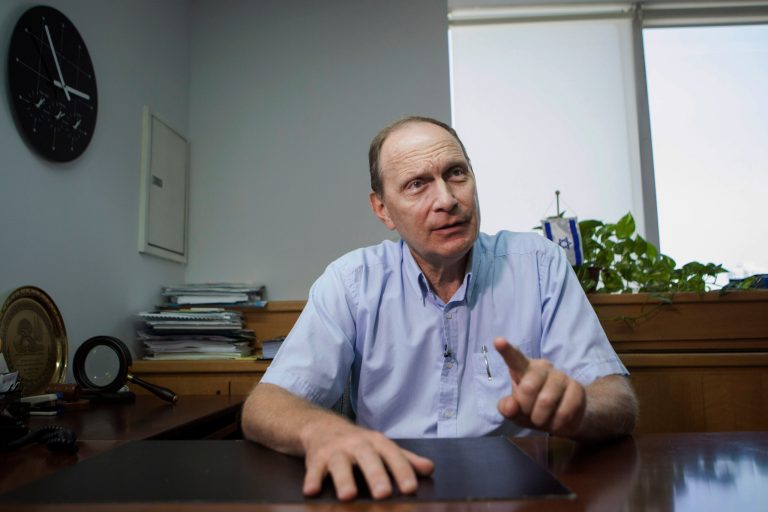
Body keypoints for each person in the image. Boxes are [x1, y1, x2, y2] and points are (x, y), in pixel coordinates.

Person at [241, 116, 638, 502]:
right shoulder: (351, 282)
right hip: (394, 489)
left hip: (519, 493)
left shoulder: (539, 264)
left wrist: (579, 410)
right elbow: (266, 405)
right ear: (382, 210)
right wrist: (322, 431)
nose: (447, 200)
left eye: (456, 174)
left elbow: (616, 399)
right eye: (417, 185)